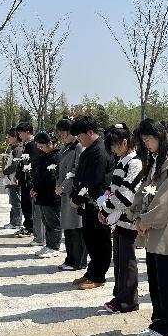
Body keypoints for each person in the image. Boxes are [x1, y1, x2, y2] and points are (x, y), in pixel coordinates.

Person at [132, 119, 168, 336]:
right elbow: (144, 191)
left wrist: (144, 220)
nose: (146, 144)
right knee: (155, 280)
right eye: (144, 140)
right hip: (151, 230)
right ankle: (157, 322)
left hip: (167, 230)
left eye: (149, 139)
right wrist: (135, 213)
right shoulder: (156, 161)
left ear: (160, 137)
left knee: (167, 281)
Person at [100, 123, 143, 314]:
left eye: (114, 145)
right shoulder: (122, 161)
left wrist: (106, 208)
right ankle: (119, 296)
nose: (112, 149)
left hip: (128, 219)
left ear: (125, 142)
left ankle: (128, 301)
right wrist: (104, 208)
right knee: (119, 261)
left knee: (127, 262)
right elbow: (112, 190)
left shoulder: (134, 163)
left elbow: (126, 194)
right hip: (118, 219)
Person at [69, 116, 114, 290]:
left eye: (80, 136)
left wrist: (77, 199)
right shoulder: (90, 149)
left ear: (90, 132)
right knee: (90, 240)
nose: (78, 140)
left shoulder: (100, 151)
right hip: (87, 203)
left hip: (98, 204)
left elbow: (94, 181)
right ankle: (91, 272)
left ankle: (98, 276)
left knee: (99, 241)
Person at [55, 118, 86, 272]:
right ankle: (70, 258)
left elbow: (75, 170)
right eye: (60, 134)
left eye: (64, 133)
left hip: (72, 192)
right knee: (68, 228)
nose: (62, 137)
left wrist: (63, 187)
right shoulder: (65, 148)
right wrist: (58, 185)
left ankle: (78, 261)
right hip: (64, 192)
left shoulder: (79, 147)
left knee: (75, 227)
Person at [32, 132, 62, 259]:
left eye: (42, 146)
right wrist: (34, 188)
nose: (40, 149)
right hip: (42, 194)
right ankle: (49, 244)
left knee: (53, 222)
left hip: (51, 195)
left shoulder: (57, 156)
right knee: (46, 221)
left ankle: (55, 246)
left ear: (50, 143)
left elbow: (51, 178)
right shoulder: (43, 155)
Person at [16, 122, 39, 240]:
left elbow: (31, 163)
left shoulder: (33, 145)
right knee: (25, 204)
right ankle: (27, 225)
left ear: (28, 132)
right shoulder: (26, 144)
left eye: (21, 133)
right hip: (24, 180)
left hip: (29, 180)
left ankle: (30, 227)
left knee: (28, 204)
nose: (19, 135)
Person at [1, 128, 23, 230]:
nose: (7, 139)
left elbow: (15, 165)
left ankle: (16, 223)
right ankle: (14, 222)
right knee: (14, 201)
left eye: (9, 137)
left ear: (15, 137)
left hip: (13, 180)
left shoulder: (18, 149)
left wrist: (4, 172)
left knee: (16, 202)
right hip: (11, 179)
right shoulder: (15, 148)